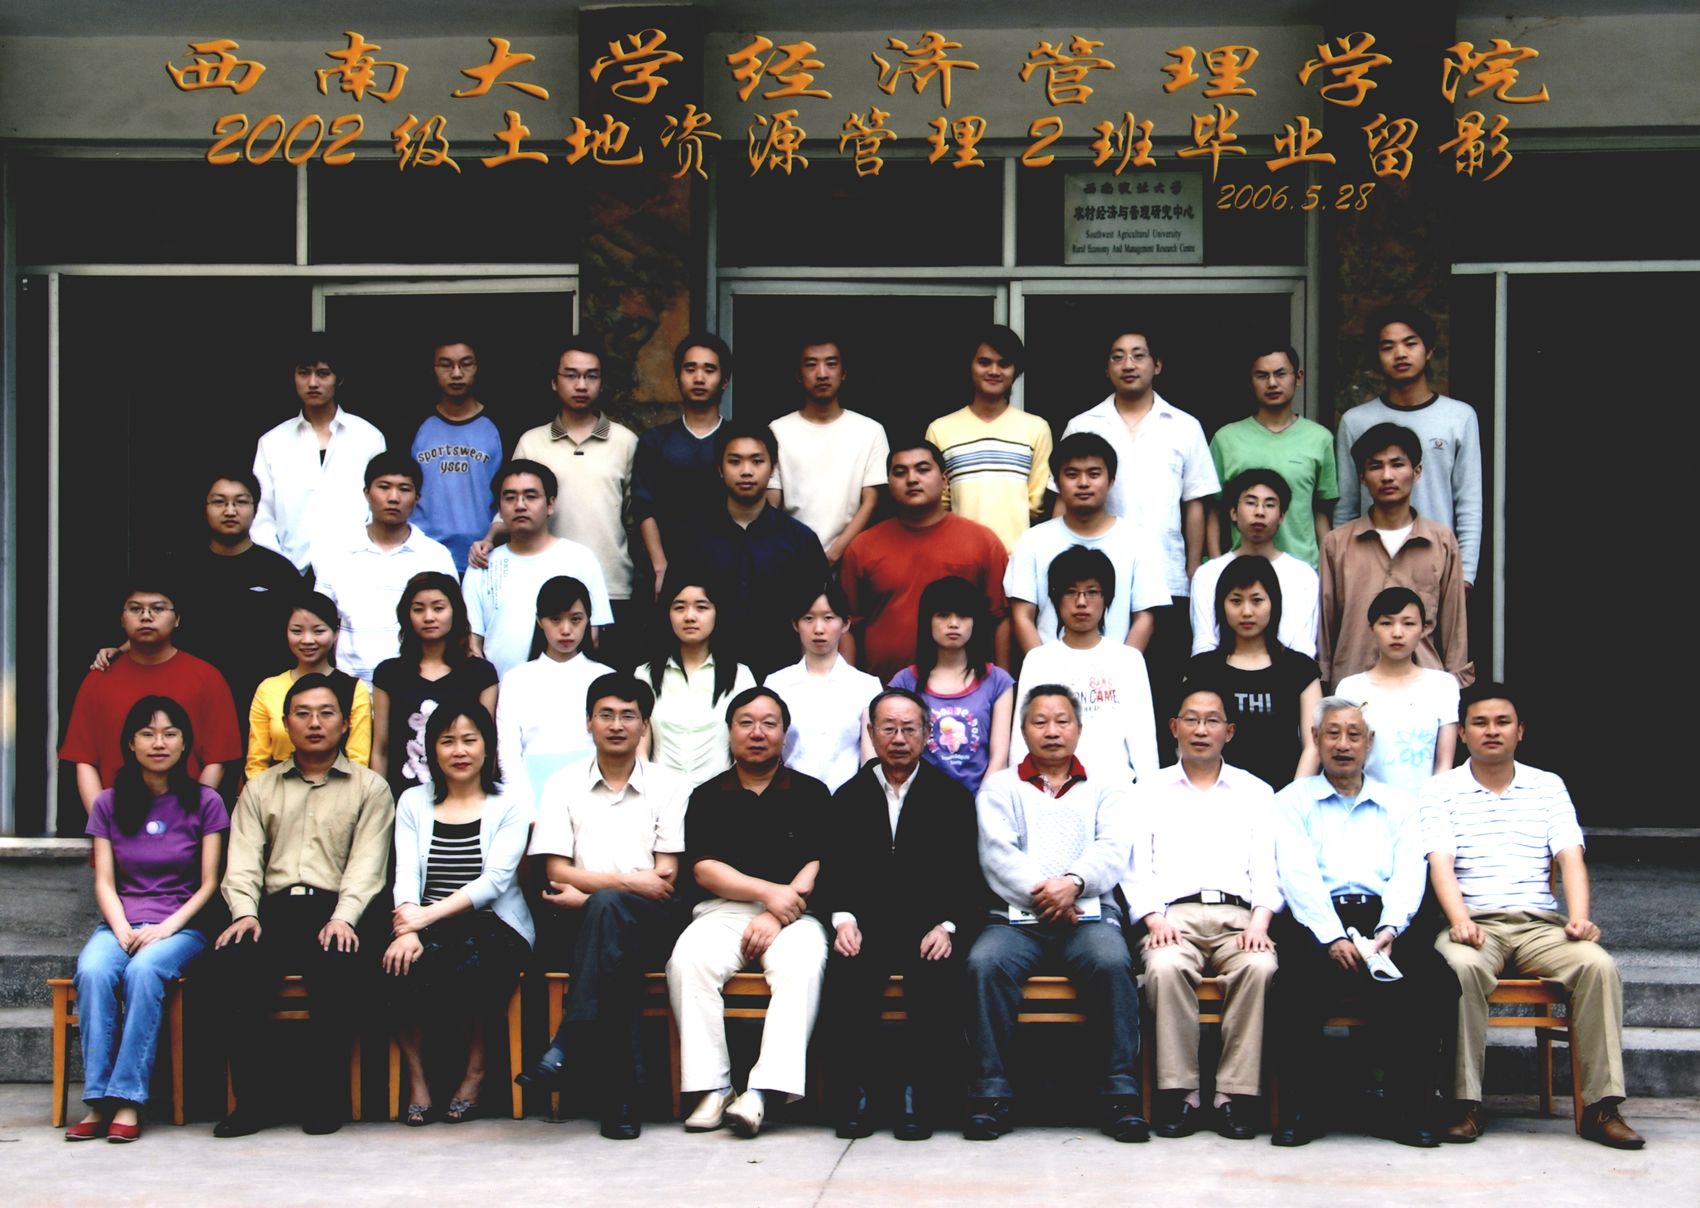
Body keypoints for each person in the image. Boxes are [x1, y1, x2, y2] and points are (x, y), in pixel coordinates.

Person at [1423, 683, 1643, 1149]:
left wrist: (1579, 918)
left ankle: (1601, 1108)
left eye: (1502, 722)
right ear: (1462, 733)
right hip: (1474, 922)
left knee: (1597, 965)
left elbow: (1570, 857)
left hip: (1538, 924)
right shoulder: (1440, 789)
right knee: (1458, 967)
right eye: (1480, 723)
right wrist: (1459, 920)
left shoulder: (1547, 785)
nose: (1492, 731)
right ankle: (1464, 1104)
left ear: (1520, 731)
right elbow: (1440, 863)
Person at [1269, 697, 1457, 1148]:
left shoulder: (1399, 804)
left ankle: (1408, 1109)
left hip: (1382, 918)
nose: (1343, 744)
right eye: (1332, 734)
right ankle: (1302, 1109)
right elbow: (1297, 876)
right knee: (1292, 985)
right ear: (1315, 739)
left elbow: (1409, 873)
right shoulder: (1291, 801)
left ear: (1369, 743)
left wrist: (1388, 931)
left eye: (1354, 735)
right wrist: (1332, 936)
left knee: (1434, 981)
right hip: (1316, 918)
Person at [211, 674, 395, 1136]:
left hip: (337, 908)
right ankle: (253, 1103)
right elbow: (243, 859)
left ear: (345, 723)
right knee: (233, 964)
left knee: (338, 965)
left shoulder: (370, 788)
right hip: (272, 910)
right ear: (286, 723)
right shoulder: (259, 788)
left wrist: (344, 918)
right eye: (303, 714)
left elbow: (368, 864)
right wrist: (244, 913)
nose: (315, 723)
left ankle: (323, 1101)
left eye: (326, 713)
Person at [964, 685, 1146, 1143]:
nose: (1051, 731)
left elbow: (1113, 848)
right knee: (984, 964)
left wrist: (1074, 884)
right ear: (1023, 731)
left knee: (1112, 962)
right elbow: (997, 854)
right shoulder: (1000, 787)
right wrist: (1049, 895)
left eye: (1062, 721)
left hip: (1089, 913)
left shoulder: (1107, 784)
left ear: (1079, 729)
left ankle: (1120, 1095)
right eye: (1040, 721)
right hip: (1015, 917)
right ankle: (990, 1095)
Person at [517, 672, 691, 1140]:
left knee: (609, 913)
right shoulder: (562, 784)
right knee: (611, 933)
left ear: (644, 726)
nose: (616, 725)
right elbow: (555, 871)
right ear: (588, 723)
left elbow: (664, 879)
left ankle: (569, 1039)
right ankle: (622, 1101)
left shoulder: (670, 785)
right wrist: (622, 884)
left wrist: (591, 891)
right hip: (581, 923)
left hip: (652, 924)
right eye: (606, 715)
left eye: (628, 716)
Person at [821, 688, 987, 1140]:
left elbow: (967, 877)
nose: (898, 739)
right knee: (847, 970)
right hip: (866, 924)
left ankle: (921, 1095)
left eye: (909, 729)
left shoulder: (952, 798)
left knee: (936, 972)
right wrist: (843, 919)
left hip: (927, 925)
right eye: (888, 729)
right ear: (871, 733)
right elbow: (833, 871)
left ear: (927, 734)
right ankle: (856, 1094)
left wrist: (947, 926)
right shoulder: (848, 797)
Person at [667, 687, 831, 1138]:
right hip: (723, 910)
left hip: (796, 915)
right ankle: (713, 1087)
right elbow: (704, 868)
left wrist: (778, 911)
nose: (757, 733)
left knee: (802, 964)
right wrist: (766, 894)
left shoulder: (812, 793)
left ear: (784, 733)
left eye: (769, 723)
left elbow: (819, 861)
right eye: (746, 723)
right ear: (730, 731)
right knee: (688, 960)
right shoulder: (707, 795)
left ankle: (762, 1091)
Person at [67, 697, 229, 1143]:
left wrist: (166, 928)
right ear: (131, 743)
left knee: (143, 971)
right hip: (121, 923)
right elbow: (104, 881)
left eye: (170, 734)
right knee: (93, 970)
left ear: (184, 744)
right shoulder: (108, 803)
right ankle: (98, 1099)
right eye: (148, 734)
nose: (159, 743)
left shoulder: (206, 802)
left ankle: (126, 1099)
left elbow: (209, 883)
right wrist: (121, 928)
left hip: (182, 927)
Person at [1124, 685, 1279, 1142]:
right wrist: (1153, 919)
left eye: (1212, 720)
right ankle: (1182, 1094)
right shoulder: (1147, 791)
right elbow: (1135, 868)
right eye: (1191, 719)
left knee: (1260, 967)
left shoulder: (1256, 791)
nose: (1201, 729)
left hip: (1240, 919)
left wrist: (1261, 921)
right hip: (1173, 918)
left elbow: (1268, 867)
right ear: (1174, 727)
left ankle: (1233, 1094)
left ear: (1229, 731)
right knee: (1164, 967)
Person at [385, 702, 533, 1126]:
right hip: (424, 919)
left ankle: (475, 1072)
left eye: (470, 740)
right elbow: (406, 872)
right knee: (399, 964)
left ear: (488, 747)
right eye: (447, 741)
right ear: (432, 749)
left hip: (495, 921)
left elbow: (494, 882)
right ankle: (418, 1081)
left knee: (473, 960)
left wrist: (422, 919)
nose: (459, 751)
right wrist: (406, 929)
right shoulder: (413, 801)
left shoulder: (510, 803)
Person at [88, 471, 300, 740]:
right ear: (204, 507)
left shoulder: (279, 572)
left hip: (260, 699)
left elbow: (301, 633)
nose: (230, 510)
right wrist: (120, 650)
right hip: (188, 698)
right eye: (219, 502)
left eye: (240, 502)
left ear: (255, 509)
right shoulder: (178, 568)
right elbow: (156, 620)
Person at [506, 336, 640, 653]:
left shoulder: (625, 441)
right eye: (571, 375)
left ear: (601, 383)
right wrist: (488, 538)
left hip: (610, 586)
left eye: (591, 376)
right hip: (545, 587)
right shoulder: (531, 442)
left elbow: (635, 519)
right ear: (554, 382)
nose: (581, 385)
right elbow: (511, 508)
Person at [61, 578, 241, 811]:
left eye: (158, 608)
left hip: (186, 821)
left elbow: (218, 759)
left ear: (177, 619)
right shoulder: (98, 679)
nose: (146, 617)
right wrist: (102, 820)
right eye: (135, 609)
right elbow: (84, 760)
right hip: (116, 819)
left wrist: (189, 817)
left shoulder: (207, 678)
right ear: (122, 619)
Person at [1334, 306, 1483, 587]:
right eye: (1388, 347)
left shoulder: (1459, 417)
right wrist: (1343, 568)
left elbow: (1468, 502)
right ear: (1377, 356)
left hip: (1437, 564)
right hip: (1370, 566)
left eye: (1410, 343)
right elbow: (1346, 506)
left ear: (1429, 351)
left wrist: (1465, 574)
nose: (1400, 354)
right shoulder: (1356, 421)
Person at [840, 440, 1010, 684]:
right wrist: (849, 688)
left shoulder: (982, 541)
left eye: (922, 469)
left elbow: (1000, 620)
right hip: (884, 690)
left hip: (966, 693)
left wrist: (1001, 686)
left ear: (945, 479)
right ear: (889, 484)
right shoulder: (863, 547)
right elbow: (848, 626)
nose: (912, 479)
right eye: (900, 472)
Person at [1319, 423, 1470, 687]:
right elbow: (1326, 625)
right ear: (1362, 476)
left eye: (1397, 464)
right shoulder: (1337, 544)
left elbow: (1454, 625)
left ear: (1417, 471)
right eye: (1376, 466)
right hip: (1352, 690)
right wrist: (1323, 684)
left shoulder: (1441, 542)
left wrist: (1455, 686)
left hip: (1424, 691)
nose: (1387, 476)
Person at [686, 418, 828, 680]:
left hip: (781, 676)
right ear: (720, 468)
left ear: (772, 468)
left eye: (757, 461)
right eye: (735, 461)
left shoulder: (800, 541)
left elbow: (815, 618)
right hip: (709, 675)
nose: (746, 471)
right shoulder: (695, 539)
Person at [1005, 432, 1168, 654]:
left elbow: (1145, 617)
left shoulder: (1138, 541)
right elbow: (1022, 615)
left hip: (1116, 670)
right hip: (1049, 670)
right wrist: (1043, 667)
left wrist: (1122, 667)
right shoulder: (1032, 541)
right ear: (1057, 483)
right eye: (1072, 474)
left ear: (1111, 481)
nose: (1083, 483)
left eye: (1094, 474)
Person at [1009, 546, 1158, 787]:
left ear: (1106, 598)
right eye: (1070, 592)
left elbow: (1143, 742)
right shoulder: (1039, 660)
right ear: (1056, 599)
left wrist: (1148, 794)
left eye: (1092, 592)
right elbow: (1021, 738)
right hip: (1054, 791)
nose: (1081, 602)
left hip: (1116, 790)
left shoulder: (1128, 660)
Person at [311, 452, 456, 684]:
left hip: (415, 689)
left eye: (404, 489)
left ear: (417, 497)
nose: (393, 498)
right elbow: (319, 622)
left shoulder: (435, 556)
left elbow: (453, 626)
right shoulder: (337, 552)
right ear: (366, 492)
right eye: (384, 487)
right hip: (350, 688)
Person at [462, 460, 613, 679]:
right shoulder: (482, 565)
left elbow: (593, 635)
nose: (520, 505)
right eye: (510, 498)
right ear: (499, 509)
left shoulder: (580, 559)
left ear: (550, 504)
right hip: (499, 691)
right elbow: (472, 643)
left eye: (531, 496)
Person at [1184, 556, 1321, 791]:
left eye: (1257, 600)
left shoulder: (1300, 669)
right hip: (1215, 797)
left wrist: (1291, 800)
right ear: (1221, 605)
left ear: (1273, 603)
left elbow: (1313, 746)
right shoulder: (1201, 670)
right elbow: (1185, 740)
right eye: (1236, 601)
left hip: (1284, 798)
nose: (1246, 611)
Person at [250, 338, 387, 573]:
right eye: (304, 373)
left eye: (323, 374)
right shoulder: (273, 442)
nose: (313, 383)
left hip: (354, 570)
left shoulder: (368, 438)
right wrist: (277, 569)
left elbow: (378, 508)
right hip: (287, 570)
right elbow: (261, 514)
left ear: (339, 379)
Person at [371, 572, 500, 802]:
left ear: (455, 612)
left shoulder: (480, 673)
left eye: (438, 608)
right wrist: (378, 805)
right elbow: (381, 749)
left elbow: (488, 747)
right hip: (402, 799)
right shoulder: (388, 674)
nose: (428, 617)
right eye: (418, 609)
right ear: (407, 615)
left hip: (463, 801)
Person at [1208, 344, 1338, 569]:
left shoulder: (1320, 439)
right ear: (1250, 381)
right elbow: (1213, 511)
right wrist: (1216, 565)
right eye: (1262, 375)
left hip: (1303, 569)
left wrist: (1327, 571)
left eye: (1280, 374)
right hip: (1241, 571)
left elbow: (1321, 512)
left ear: (1298, 377)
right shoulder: (1226, 439)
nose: (1272, 383)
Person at [924, 325, 1053, 552]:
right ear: (970, 366)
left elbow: (1037, 503)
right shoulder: (940, 430)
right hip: (960, 556)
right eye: (984, 362)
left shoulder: (1036, 428)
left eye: (1004, 364)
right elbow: (938, 503)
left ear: (1016, 370)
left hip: (1017, 558)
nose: (994, 371)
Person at [767, 338, 890, 565]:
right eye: (811, 364)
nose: (822, 374)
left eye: (831, 364)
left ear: (844, 373)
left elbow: (872, 501)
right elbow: (771, 502)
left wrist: (834, 554)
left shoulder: (870, 431)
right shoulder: (777, 430)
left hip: (853, 559)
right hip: (790, 558)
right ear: (798, 374)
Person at [495, 576, 613, 809]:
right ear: (540, 621)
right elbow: (508, 751)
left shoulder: (606, 678)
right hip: (532, 798)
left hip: (596, 798)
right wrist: (526, 809)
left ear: (588, 619)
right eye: (555, 619)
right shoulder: (516, 679)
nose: (566, 630)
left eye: (576, 619)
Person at [890, 576, 1014, 796]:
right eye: (943, 615)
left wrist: (983, 804)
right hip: (920, 801)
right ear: (928, 621)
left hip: (981, 798)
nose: (954, 623)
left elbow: (999, 758)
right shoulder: (905, 682)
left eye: (963, 615)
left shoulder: (998, 681)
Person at [1333, 586, 1460, 797]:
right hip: (1367, 805)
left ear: (1423, 629)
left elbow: (1444, 764)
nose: (1397, 633)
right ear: (1372, 628)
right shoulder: (1351, 688)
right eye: (1386, 623)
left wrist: (1432, 807)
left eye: (1408, 623)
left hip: (1427, 806)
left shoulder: (1443, 685)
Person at [634, 333, 734, 600]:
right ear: (678, 378)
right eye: (690, 369)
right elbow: (644, 508)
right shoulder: (655, 442)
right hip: (670, 568)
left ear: (724, 381)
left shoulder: (737, 440)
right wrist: (660, 567)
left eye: (709, 370)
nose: (699, 378)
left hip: (729, 565)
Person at [1190, 469, 1321, 658]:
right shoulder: (1208, 574)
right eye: (1251, 503)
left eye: (1269, 505)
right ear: (1233, 512)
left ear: (1282, 516)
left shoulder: (1303, 576)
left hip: (1288, 673)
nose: (1260, 512)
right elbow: (1205, 644)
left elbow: (1303, 645)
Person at [762, 583, 880, 792]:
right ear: (795, 624)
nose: (818, 629)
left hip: (847, 800)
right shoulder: (776, 684)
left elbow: (870, 758)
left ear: (846, 624)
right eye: (808, 618)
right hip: (789, 799)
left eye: (828, 618)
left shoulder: (866, 686)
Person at [642, 573, 757, 785]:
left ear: (717, 612)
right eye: (679, 607)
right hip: (661, 795)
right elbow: (640, 750)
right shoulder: (645, 675)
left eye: (701, 607)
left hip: (720, 796)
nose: (689, 616)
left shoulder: (740, 676)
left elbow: (746, 747)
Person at [245, 593, 372, 780]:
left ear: (336, 633)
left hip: (338, 788)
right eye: (297, 631)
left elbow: (358, 760)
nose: (307, 640)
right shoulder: (268, 688)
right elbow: (256, 762)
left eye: (318, 631)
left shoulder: (354, 689)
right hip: (277, 789)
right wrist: (262, 795)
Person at [409, 337, 505, 574]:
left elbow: (511, 494)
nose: (456, 373)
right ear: (433, 369)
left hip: (484, 555)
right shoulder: (412, 425)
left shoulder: (500, 426)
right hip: (423, 555)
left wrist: (493, 537)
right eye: (446, 365)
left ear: (477, 367)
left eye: (466, 364)